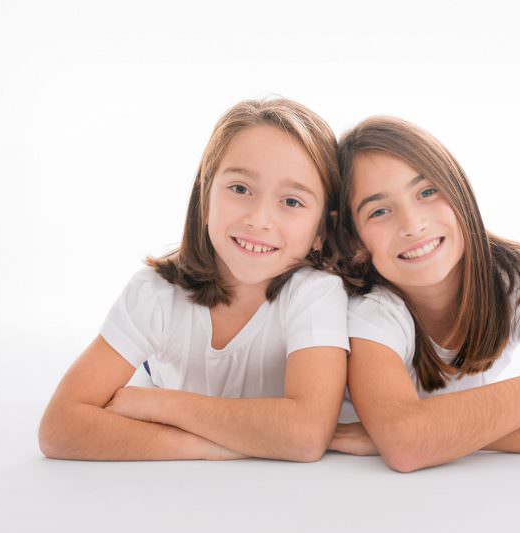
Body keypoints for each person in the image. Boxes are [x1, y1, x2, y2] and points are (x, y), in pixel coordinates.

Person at [39, 98, 349, 462]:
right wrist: (223, 446)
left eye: (292, 202)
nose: (258, 219)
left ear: (321, 231)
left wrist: (161, 405)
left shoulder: (317, 293)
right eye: (240, 189)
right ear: (205, 197)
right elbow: (59, 429)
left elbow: (305, 435)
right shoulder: (155, 293)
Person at [327, 116, 520, 472]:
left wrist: (434, 435)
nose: (413, 225)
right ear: (353, 239)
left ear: (459, 189)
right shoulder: (369, 308)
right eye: (379, 211)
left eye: (427, 192)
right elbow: (406, 444)